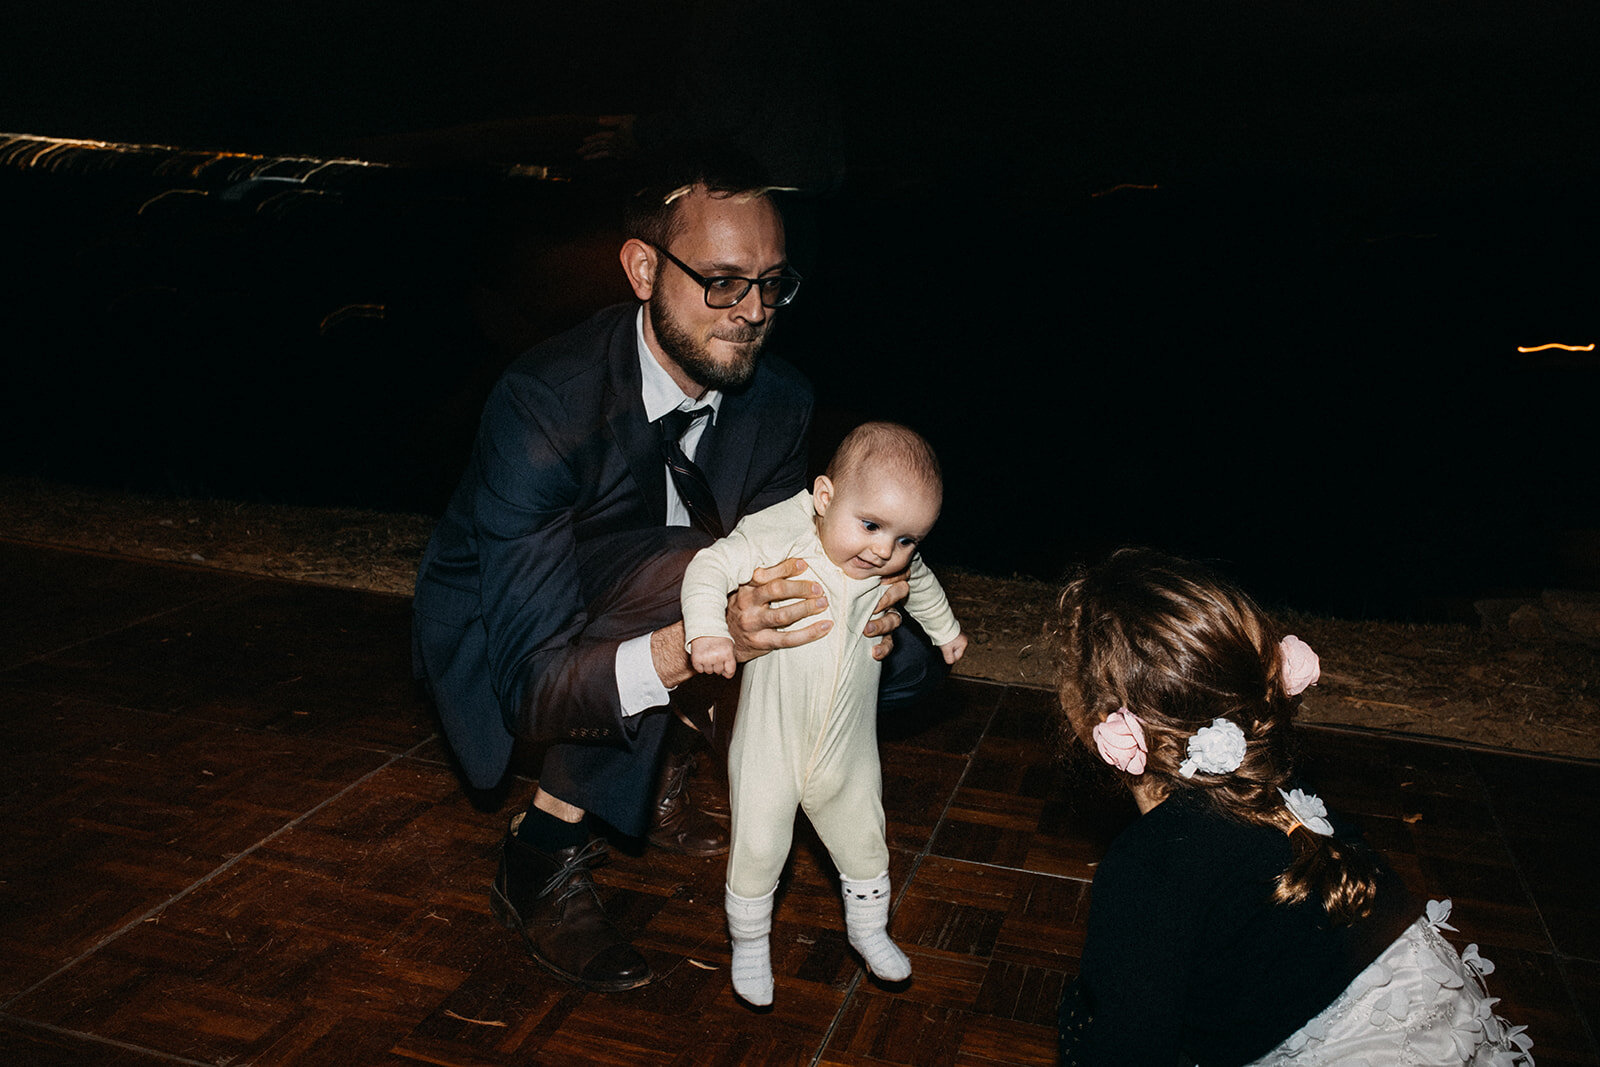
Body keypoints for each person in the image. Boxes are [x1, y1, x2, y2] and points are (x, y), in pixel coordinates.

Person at [411, 151, 945, 993]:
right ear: (643, 267)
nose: (753, 313)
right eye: (724, 282)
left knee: (884, 650)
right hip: (509, 632)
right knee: (688, 573)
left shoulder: (778, 398)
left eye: (772, 284)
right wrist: (699, 643)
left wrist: (867, 609)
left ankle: (665, 756)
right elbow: (533, 682)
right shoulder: (543, 404)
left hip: (667, 586)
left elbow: (785, 556)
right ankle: (539, 854)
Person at [1052, 548, 1534, 1065]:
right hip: (1431, 1009)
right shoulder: (1272, 787)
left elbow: (1129, 1054)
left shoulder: (1144, 869)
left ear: (1097, 718)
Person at [680, 422, 967, 1005]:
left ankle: (869, 929)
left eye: (907, 538)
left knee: (865, 838)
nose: (885, 551)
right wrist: (707, 633)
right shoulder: (779, 534)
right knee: (759, 847)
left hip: (848, 743)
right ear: (825, 496)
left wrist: (946, 631)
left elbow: (925, 582)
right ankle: (752, 943)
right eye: (871, 526)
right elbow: (709, 566)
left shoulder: (888, 563)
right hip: (771, 741)